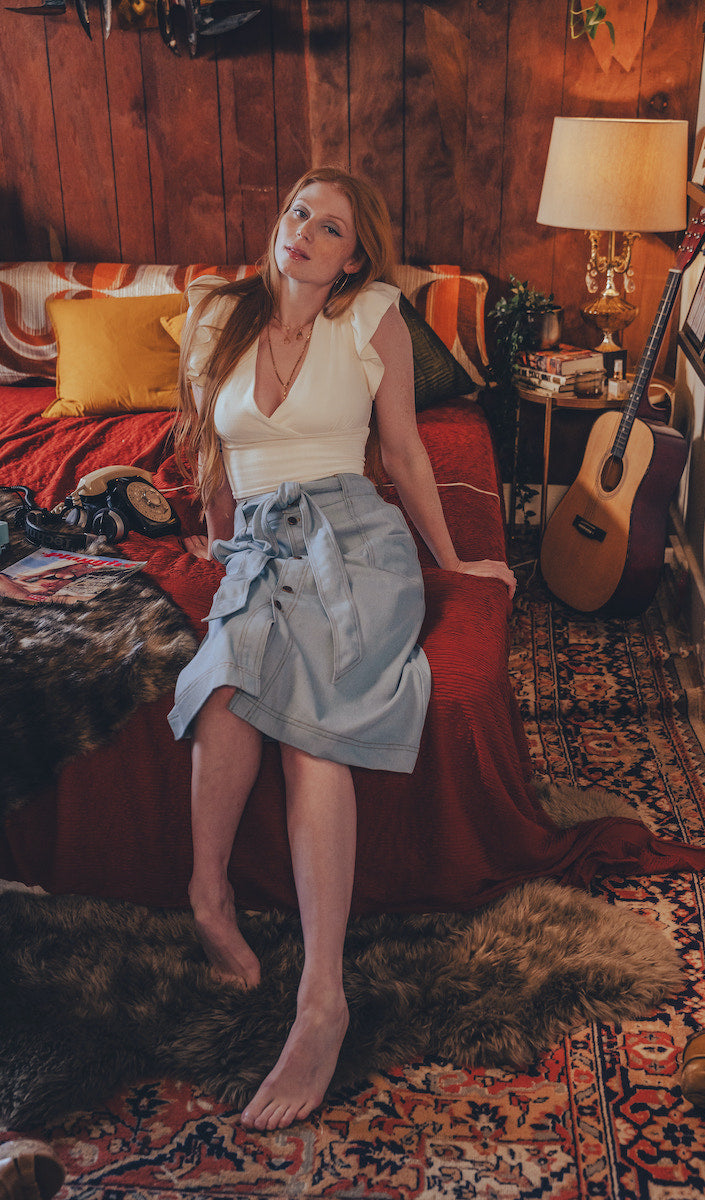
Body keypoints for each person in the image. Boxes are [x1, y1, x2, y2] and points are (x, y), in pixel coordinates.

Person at [167, 165, 516, 1133]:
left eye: (328, 229)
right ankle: (206, 896)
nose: (304, 234)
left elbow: (402, 452)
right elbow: (208, 446)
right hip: (261, 539)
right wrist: (219, 542)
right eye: (295, 214)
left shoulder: (373, 320)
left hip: (354, 539)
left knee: (314, 724)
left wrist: (455, 564)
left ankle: (322, 996)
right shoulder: (214, 317)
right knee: (228, 680)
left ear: (353, 256)